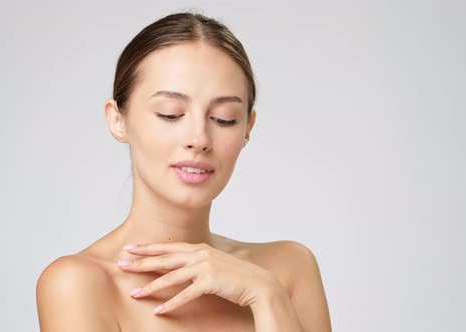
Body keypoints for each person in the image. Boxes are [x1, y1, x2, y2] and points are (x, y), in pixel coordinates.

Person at [36, 11, 331, 332]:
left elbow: (268, 288)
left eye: (224, 118)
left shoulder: (288, 270)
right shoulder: (79, 284)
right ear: (117, 119)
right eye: (170, 114)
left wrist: (265, 294)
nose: (199, 140)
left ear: (248, 128)